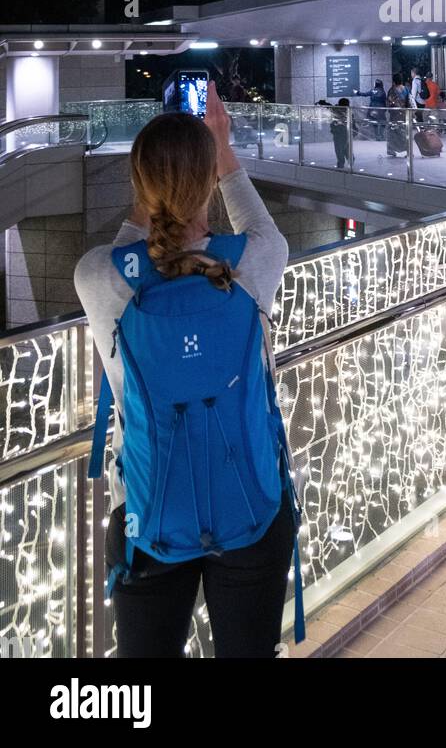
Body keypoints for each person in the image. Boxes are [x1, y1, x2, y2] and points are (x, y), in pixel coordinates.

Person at [73, 82, 294, 657]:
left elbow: (130, 249)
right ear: (209, 180)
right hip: (252, 505)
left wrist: (152, 196)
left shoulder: (98, 278)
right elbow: (265, 230)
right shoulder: (254, 262)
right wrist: (222, 149)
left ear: (138, 187)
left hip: (148, 518)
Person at [386, 74, 410, 157]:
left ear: (394, 81)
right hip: (404, 114)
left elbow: (389, 102)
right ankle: (408, 151)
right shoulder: (406, 89)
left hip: (395, 115)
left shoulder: (392, 90)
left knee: (392, 132)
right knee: (404, 133)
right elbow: (408, 102)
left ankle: (391, 149)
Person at [330, 97, 353, 170]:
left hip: (343, 134)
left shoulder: (347, 112)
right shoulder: (337, 112)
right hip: (340, 134)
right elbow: (333, 123)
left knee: (343, 149)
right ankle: (343, 164)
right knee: (341, 149)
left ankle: (345, 163)